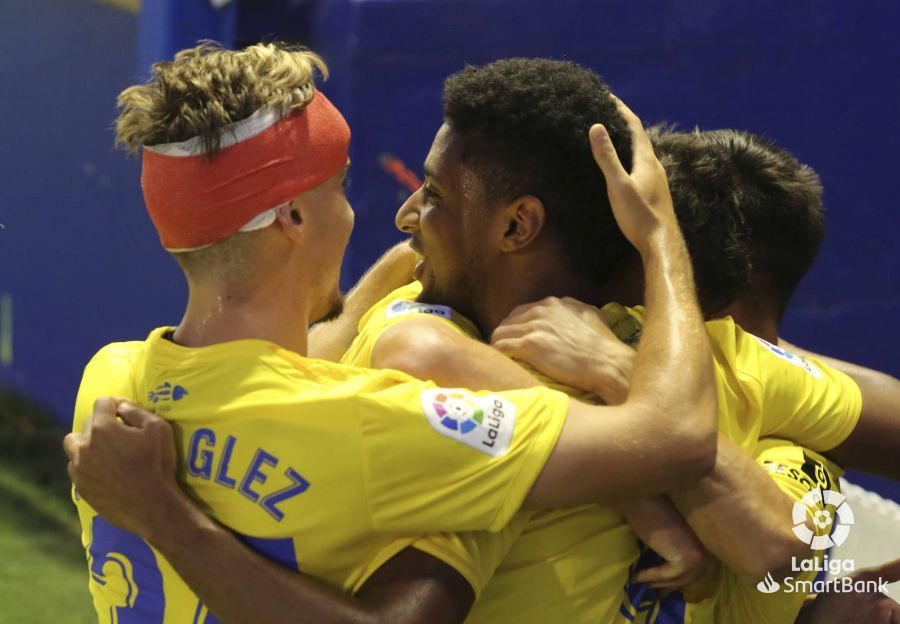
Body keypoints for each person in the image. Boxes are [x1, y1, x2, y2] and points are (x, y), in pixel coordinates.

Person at [71, 57, 868, 624]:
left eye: (432, 195)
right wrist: (658, 238)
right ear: (293, 220)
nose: (396, 217)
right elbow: (678, 443)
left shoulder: (110, 386)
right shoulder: (385, 414)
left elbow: (338, 338)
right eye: (344, 188)